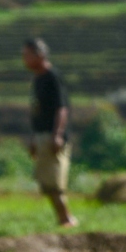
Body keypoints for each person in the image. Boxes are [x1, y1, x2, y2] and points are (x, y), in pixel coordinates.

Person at [23, 37, 77, 227]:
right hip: (42, 135)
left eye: (27, 55)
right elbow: (37, 111)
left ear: (39, 55)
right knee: (46, 182)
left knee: (54, 183)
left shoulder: (52, 77)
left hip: (51, 136)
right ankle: (63, 219)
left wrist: (57, 135)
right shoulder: (38, 79)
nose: (24, 59)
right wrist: (34, 138)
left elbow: (61, 108)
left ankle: (67, 219)